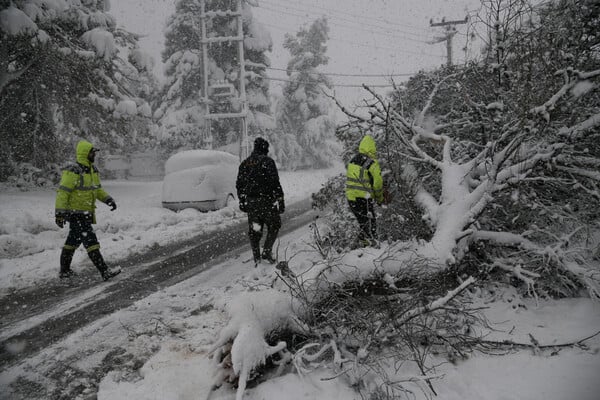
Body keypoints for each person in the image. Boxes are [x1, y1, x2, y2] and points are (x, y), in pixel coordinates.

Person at [55, 140, 121, 281]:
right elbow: (63, 192)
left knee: (72, 241)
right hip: (75, 213)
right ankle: (104, 271)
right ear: (85, 153)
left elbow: (97, 190)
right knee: (91, 242)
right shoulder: (73, 171)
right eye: (92, 152)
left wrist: (108, 199)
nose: (94, 155)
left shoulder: (92, 170)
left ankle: (64, 271)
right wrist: (60, 213)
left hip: (85, 212)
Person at [236, 137, 285, 265]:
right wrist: (280, 200)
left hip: (252, 204)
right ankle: (267, 251)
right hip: (267, 202)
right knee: (274, 225)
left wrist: (242, 201)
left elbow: (239, 185)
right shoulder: (268, 162)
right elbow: (275, 183)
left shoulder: (245, 163)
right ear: (265, 148)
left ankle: (256, 257)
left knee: (255, 230)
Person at [345, 134, 384, 247]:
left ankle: (362, 246)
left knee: (363, 223)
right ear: (373, 148)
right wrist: (379, 198)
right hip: (364, 198)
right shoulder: (371, 163)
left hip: (351, 199)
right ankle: (372, 248)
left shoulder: (353, 160)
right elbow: (377, 183)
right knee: (370, 226)